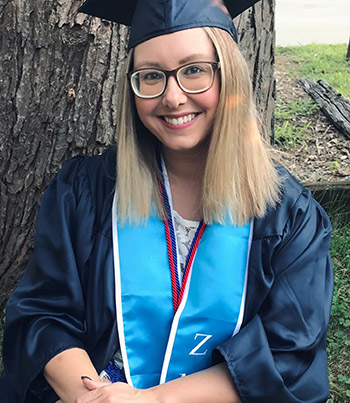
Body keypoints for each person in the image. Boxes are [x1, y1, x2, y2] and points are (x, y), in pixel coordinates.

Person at [0, 0, 333, 402]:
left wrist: (152, 400)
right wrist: (93, 397)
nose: (173, 97)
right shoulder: (87, 190)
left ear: (229, 78)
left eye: (194, 71)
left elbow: (289, 349)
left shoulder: (287, 213)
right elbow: (43, 313)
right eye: (151, 76)